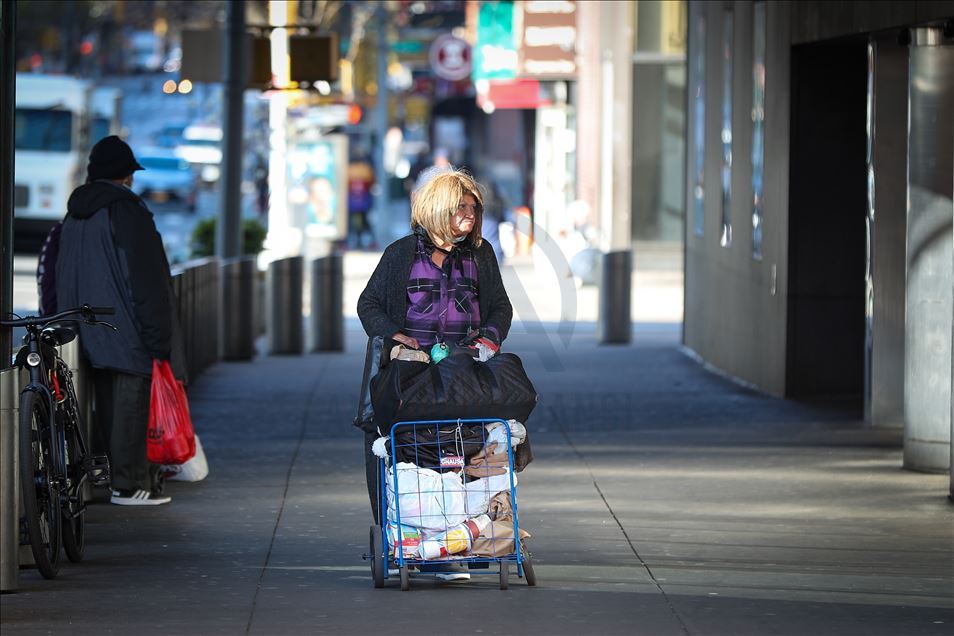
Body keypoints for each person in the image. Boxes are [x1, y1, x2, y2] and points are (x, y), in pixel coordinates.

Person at [357, 168, 513, 580]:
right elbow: (368, 304)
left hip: (463, 372)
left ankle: (461, 543)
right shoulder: (400, 255)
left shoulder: (481, 256)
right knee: (412, 454)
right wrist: (396, 339)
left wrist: (489, 342)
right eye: (461, 207)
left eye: (474, 209)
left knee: (463, 450)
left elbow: (500, 308)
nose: (470, 215)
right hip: (412, 377)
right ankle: (419, 541)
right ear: (438, 209)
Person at [56, 135, 186, 506]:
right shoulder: (127, 210)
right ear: (125, 176)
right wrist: (159, 336)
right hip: (126, 325)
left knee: (105, 404)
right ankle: (129, 485)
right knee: (131, 402)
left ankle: (111, 479)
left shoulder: (76, 211)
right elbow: (145, 277)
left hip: (86, 324)